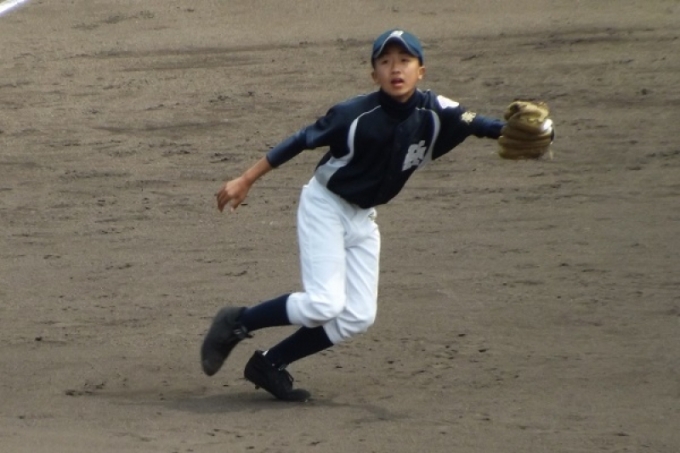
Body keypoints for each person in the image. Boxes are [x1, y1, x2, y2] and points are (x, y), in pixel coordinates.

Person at [201, 29, 507, 402]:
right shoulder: (354, 114)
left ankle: (270, 363)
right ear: (374, 74)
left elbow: (479, 123)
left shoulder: (435, 111)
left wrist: (525, 131)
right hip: (325, 206)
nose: (396, 69)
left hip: (363, 216)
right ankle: (238, 320)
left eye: (405, 61)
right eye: (386, 62)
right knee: (324, 303)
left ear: (421, 71)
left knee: (358, 315)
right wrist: (246, 179)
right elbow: (300, 140)